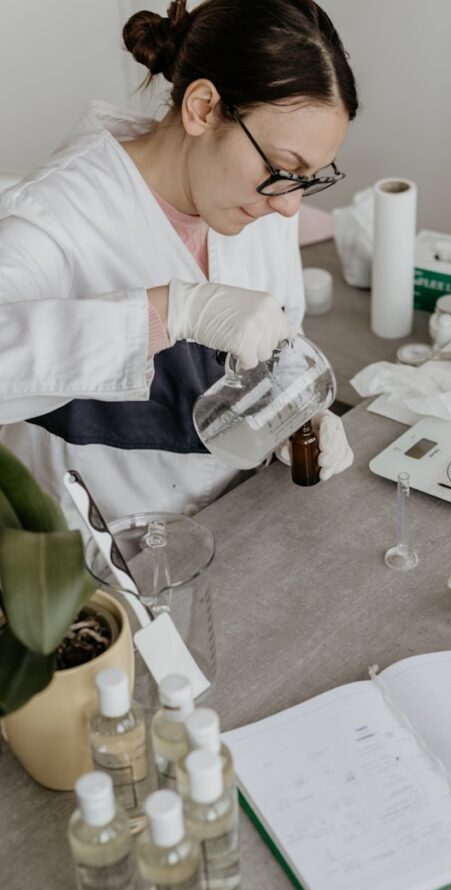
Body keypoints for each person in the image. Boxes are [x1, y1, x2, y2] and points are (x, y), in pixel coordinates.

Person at [0, 0, 357, 520]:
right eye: (282, 167)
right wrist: (169, 311)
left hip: (234, 529)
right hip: (100, 568)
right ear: (203, 108)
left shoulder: (258, 207)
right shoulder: (55, 212)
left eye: (307, 178)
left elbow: (276, 349)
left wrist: (291, 415)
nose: (289, 204)